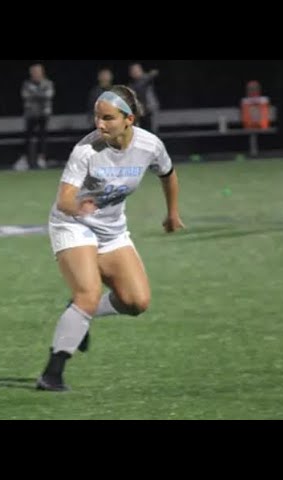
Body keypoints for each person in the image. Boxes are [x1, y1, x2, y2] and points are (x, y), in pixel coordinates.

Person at [36, 85, 184, 391]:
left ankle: (77, 311)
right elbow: (64, 199)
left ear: (129, 119)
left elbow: (167, 174)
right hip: (73, 224)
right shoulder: (86, 151)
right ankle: (52, 373)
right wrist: (78, 206)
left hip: (112, 230)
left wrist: (172, 214)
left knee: (136, 301)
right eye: (96, 116)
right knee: (88, 294)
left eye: (108, 118)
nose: (99, 124)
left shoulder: (149, 145)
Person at [15, 63, 55, 171]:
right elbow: (25, 96)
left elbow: (49, 95)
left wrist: (34, 95)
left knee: (42, 137)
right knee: (27, 137)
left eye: (38, 71)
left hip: (44, 114)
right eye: (34, 72)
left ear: (42, 72)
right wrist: (39, 95)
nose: (36, 74)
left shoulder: (48, 83)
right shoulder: (26, 84)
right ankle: (25, 160)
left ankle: (41, 159)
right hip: (30, 114)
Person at [128, 63, 160, 132]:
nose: (135, 72)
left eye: (137, 70)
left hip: (150, 112)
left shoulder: (148, 79)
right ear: (130, 73)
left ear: (142, 70)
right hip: (139, 114)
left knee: (152, 132)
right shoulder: (131, 86)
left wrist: (149, 75)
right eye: (133, 70)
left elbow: (154, 73)